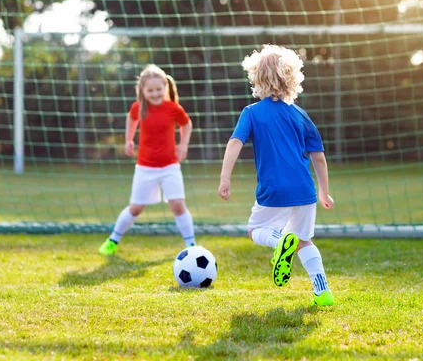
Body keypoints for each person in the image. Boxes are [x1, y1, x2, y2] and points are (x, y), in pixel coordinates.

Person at [218, 45, 335, 306]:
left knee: (255, 230)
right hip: (305, 190)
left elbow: (235, 142)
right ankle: (323, 291)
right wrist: (324, 191)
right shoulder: (301, 115)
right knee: (304, 240)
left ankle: (280, 241)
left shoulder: (252, 112)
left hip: (274, 189)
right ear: (291, 78)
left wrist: (225, 177)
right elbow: (318, 157)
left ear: (257, 79)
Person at [98, 64, 196, 255]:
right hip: (145, 168)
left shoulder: (173, 108)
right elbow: (131, 118)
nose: (155, 93)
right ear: (142, 90)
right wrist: (128, 139)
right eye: (150, 90)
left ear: (165, 87)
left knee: (177, 205)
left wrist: (183, 144)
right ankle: (113, 240)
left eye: (159, 89)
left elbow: (187, 124)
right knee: (135, 209)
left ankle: (191, 245)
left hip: (170, 166)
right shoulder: (139, 107)